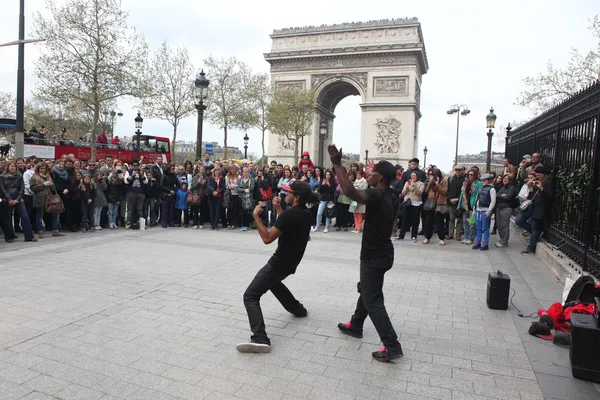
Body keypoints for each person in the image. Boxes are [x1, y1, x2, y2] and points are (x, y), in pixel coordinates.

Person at [328, 145, 403, 362]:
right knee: (368, 290)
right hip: (385, 253)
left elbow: (350, 191)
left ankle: (391, 345)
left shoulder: (376, 194)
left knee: (373, 299)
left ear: (379, 176)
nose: (368, 175)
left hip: (373, 255)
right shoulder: (391, 194)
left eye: (371, 172)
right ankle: (356, 324)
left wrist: (336, 164)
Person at [237, 180, 314, 353]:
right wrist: (279, 210)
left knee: (250, 296)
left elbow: (267, 238)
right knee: (273, 283)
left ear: (297, 197)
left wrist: (256, 217)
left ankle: (260, 338)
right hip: (291, 262)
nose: (285, 194)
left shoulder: (289, 215)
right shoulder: (305, 213)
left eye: (289, 192)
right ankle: (298, 310)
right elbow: (287, 223)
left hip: (278, 263)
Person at [0, 161, 36, 242]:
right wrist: (9, 199)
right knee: (7, 218)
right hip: (7, 199)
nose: (13, 168)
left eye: (14, 166)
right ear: (7, 167)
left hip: (18, 199)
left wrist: (17, 199)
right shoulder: (2, 176)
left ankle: (29, 236)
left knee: (24, 216)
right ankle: (9, 236)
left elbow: (22, 188)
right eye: (11, 166)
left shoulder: (19, 176)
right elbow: (3, 189)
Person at [522, 166, 554, 255]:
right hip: (536, 206)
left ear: (544, 174)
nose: (538, 177)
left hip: (541, 208)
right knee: (531, 225)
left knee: (535, 227)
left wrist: (541, 188)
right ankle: (535, 239)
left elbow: (549, 196)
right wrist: (531, 186)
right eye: (536, 175)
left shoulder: (549, 182)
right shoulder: (541, 181)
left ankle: (531, 248)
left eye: (539, 175)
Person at [396, 172, 424, 242]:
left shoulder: (421, 183)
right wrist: (407, 188)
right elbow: (403, 193)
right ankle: (401, 236)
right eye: (412, 176)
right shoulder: (407, 182)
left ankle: (414, 236)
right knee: (405, 220)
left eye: (414, 175)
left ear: (417, 176)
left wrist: (414, 186)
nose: (413, 177)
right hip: (407, 203)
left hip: (416, 203)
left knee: (415, 220)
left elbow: (419, 193)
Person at [473, 174, 496, 251]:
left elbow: (493, 201)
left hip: (485, 210)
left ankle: (485, 243)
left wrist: (489, 211)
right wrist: (474, 209)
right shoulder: (480, 188)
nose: (483, 182)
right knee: (478, 227)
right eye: (482, 180)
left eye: (485, 180)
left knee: (485, 228)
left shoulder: (492, 189)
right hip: (478, 210)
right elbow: (477, 199)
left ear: (489, 180)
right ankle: (478, 241)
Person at [495, 175, 517, 248]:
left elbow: (509, 197)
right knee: (499, 225)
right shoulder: (503, 187)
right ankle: (501, 240)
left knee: (504, 225)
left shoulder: (512, 188)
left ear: (510, 180)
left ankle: (504, 242)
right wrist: (502, 195)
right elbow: (496, 194)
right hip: (499, 207)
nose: (505, 180)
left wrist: (501, 196)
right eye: (504, 178)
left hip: (506, 208)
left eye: (507, 179)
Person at [447, 165, 466, 241]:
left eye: (459, 170)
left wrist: (458, 198)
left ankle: (458, 234)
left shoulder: (465, 179)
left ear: (463, 170)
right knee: (451, 219)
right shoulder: (451, 178)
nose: (457, 171)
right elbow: (448, 190)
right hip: (451, 201)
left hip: (460, 202)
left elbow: (465, 191)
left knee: (459, 219)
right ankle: (450, 234)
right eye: (456, 170)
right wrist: (450, 198)